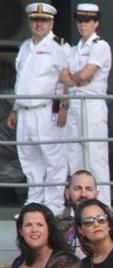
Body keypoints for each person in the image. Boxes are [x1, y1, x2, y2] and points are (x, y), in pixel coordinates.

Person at [7, 3, 70, 213]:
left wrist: (64, 106)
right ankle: (35, 203)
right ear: (30, 22)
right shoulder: (25, 46)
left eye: (43, 21)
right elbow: (21, 81)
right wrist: (14, 109)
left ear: (51, 23)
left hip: (46, 110)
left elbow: (66, 80)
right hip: (24, 111)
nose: (39, 24)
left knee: (53, 159)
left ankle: (54, 205)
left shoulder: (59, 47)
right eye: (35, 20)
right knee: (29, 159)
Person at [61, 3, 112, 206]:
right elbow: (65, 78)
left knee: (95, 156)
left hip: (92, 105)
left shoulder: (100, 46)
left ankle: (102, 205)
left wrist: (75, 78)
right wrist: (75, 83)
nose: (83, 25)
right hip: (74, 104)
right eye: (80, 21)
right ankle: (78, 206)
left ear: (96, 23)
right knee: (74, 156)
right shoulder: (73, 50)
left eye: (87, 21)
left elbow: (86, 74)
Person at [7, 203, 73, 268]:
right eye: (28, 225)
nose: (34, 230)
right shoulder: (18, 262)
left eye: (40, 225)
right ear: (21, 230)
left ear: (49, 229)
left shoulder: (63, 261)